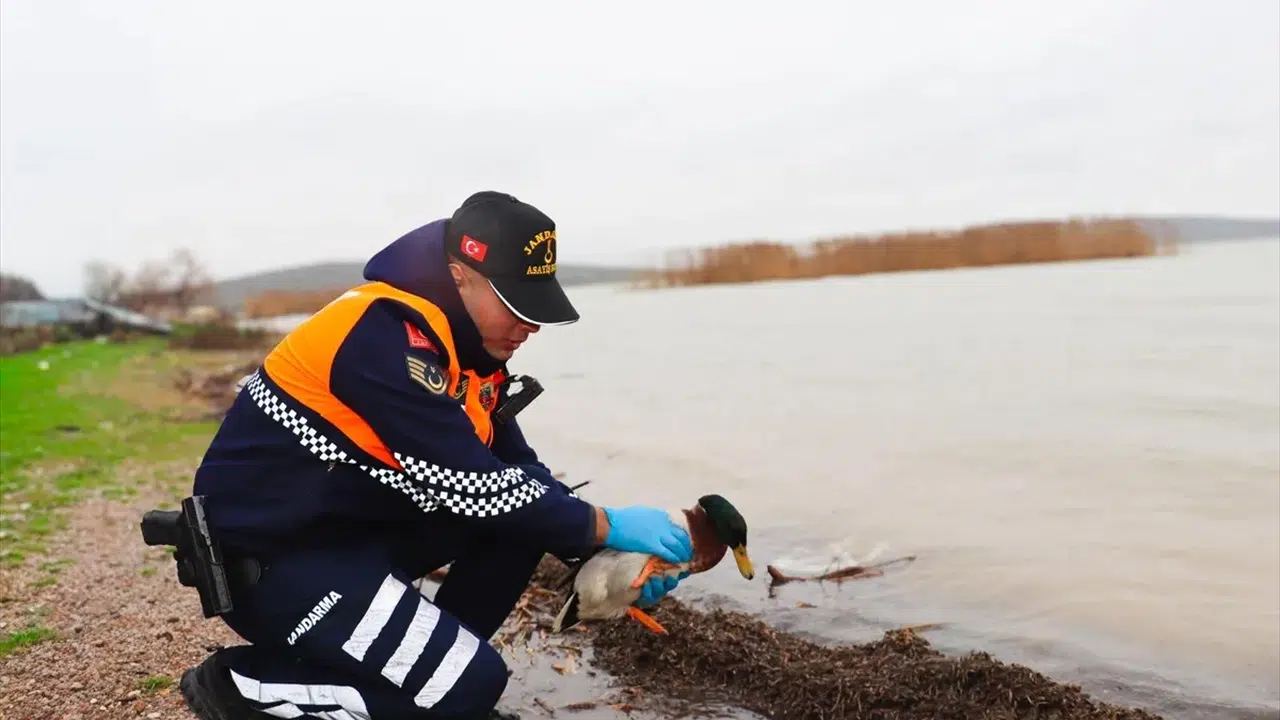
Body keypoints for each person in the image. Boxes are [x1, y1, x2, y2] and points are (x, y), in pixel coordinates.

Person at [168, 191, 695, 719]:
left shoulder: (466, 351)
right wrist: (603, 524)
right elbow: (463, 481)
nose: (529, 326)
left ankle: (432, 680)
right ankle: (240, 683)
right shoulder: (378, 334)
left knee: (524, 521)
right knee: (474, 685)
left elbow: (520, 474)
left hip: (342, 538)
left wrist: (608, 561)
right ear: (459, 272)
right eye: (516, 305)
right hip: (275, 562)